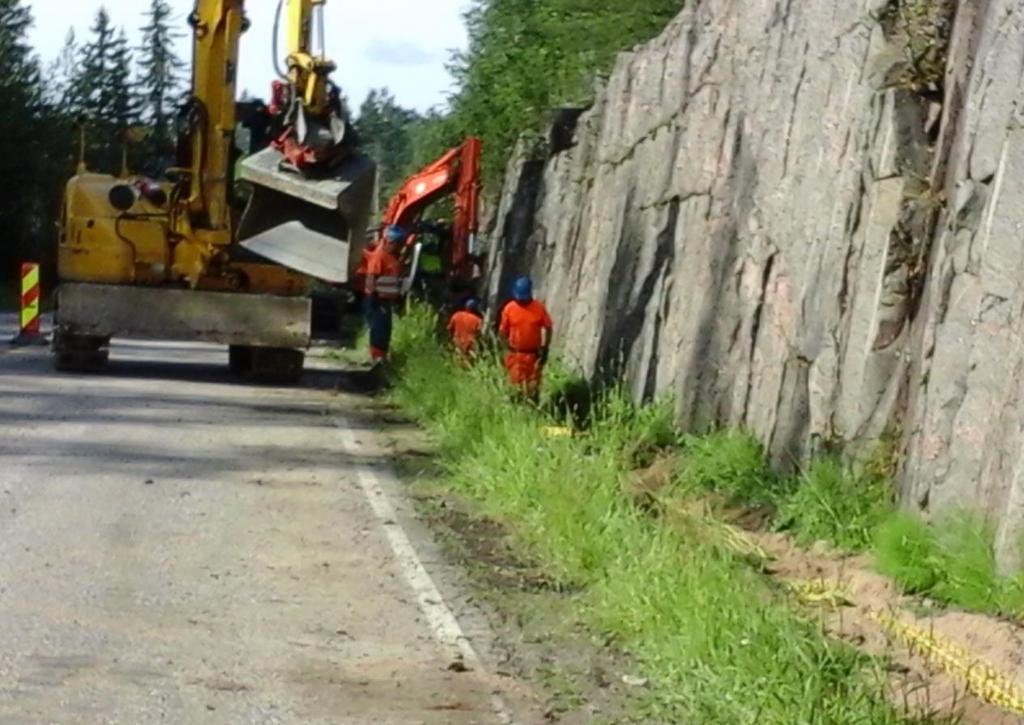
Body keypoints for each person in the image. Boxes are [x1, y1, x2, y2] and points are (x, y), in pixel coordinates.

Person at [499, 277, 553, 400]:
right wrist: (506, 348)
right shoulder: (509, 308)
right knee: (514, 388)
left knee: (532, 388)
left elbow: (548, 327)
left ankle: (531, 409)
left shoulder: (538, 308)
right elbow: (502, 331)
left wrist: (545, 348)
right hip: (515, 354)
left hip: (533, 355)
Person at [363, 225, 406, 364]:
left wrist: (398, 298)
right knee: (379, 329)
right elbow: (372, 277)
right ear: (389, 241)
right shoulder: (379, 256)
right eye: (397, 243)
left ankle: (381, 356)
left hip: (386, 300)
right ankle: (377, 358)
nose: (399, 247)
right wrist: (374, 298)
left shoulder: (393, 258)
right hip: (378, 300)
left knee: (385, 330)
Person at [447, 297, 484, 364]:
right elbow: (479, 335)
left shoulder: (457, 315)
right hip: (469, 347)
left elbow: (449, 328)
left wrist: (450, 339)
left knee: (455, 363)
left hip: (457, 344)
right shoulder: (478, 320)